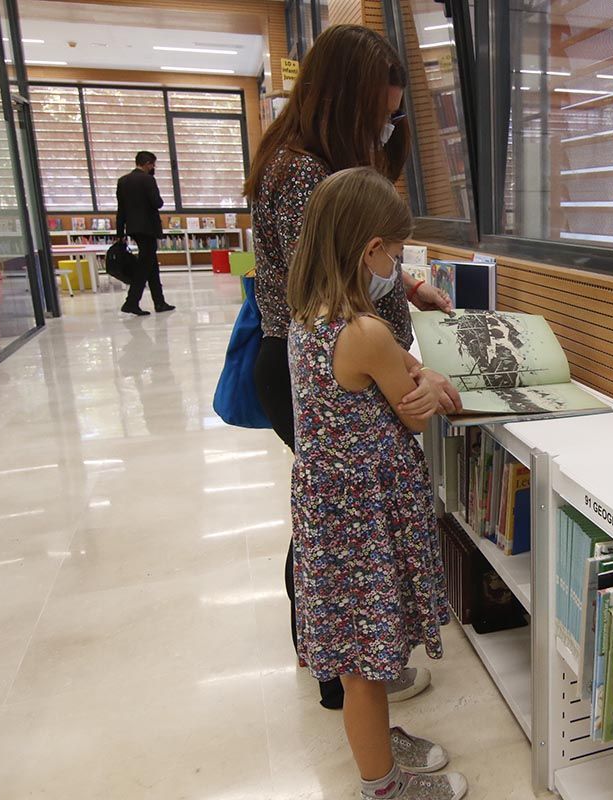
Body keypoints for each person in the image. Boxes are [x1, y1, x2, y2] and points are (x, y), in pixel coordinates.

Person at [245, 23, 462, 710]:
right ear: (344, 101)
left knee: (335, 527)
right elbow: (337, 282)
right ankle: (343, 667)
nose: (388, 125)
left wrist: (409, 289)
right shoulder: (304, 174)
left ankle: (346, 657)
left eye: (396, 114)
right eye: (380, 113)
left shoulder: (302, 161)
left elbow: (355, 273)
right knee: (339, 532)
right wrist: (411, 373)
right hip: (327, 374)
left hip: (340, 368)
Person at [287, 166, 466, 800]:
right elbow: (420, 409)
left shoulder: (312, 315)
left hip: (331, 513)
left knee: (363, 652)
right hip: (362, 522)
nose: (397, 264)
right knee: (366, 665)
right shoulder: (365, 332)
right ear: (371, 250)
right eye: (396, 251)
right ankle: (383, 788)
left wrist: (415, 373)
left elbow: (402, 372)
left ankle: (377, 742)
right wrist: (432, 383)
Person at [116, 151, 174, 315]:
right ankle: (131, 302)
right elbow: (157, 203)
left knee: (151, 264)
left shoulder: (123, 181)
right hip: (148, 228)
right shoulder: (148, 180)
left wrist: (120, 233)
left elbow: (121, 210)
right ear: (147, 163)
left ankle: (159, 302)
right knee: (144, 266)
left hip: (133, 229)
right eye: (153, 164)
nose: (153, 167)